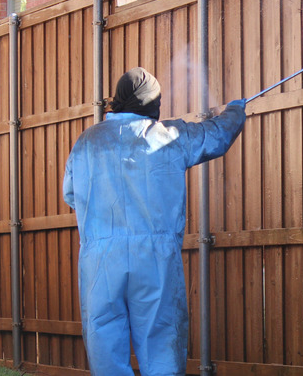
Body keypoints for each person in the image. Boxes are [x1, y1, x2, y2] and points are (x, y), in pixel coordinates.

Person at [62, 67, 246, 375]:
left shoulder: (86, 142)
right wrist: (235, 110)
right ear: (152, 104)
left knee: (105, 344)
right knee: (161, 340)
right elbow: (216, 135)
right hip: (155, 258)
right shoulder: (170, 136)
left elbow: (71, 194)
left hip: (100, 262)